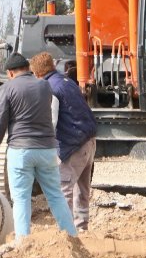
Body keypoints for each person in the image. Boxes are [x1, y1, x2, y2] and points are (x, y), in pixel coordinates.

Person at [0, 52, 76, 239]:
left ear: (10, 73)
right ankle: (72, 236)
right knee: (55, 195)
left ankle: (23, 242)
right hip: (47, 149)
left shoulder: (7, 88)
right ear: (28, 68)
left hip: (20, 150)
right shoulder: (44, 86)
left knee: (21, 199)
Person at [30, 52, 97, 231]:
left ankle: (66, 234)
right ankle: (82, 228)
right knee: (82, 190)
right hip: (89, 141)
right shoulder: (67, 82)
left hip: (73, 145)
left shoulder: (49, 88)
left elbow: (51, 121)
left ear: (37, 73)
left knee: (63, 191)